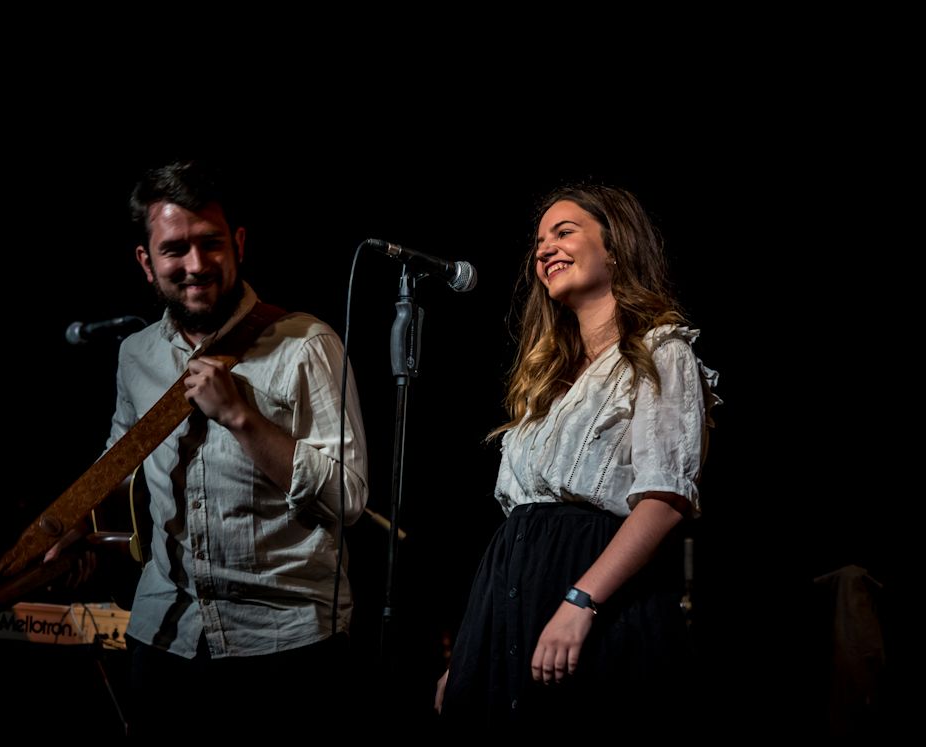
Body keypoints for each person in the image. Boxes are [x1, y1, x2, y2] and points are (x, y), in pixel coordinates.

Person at [434, 183, 719, 732]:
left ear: (614, 247)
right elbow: (518, 527)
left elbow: (665, 498)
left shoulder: (662, 352)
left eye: (564, 232)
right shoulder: (547, 384)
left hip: (595, 597)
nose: (544, 249)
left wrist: (580, 602)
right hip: (508, 602)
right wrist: (471, 648)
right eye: (539, 241)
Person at [111, 160, 369, 735]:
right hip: (164, 638)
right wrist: (75, 531)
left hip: (285, 647)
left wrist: (240, 417)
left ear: (240, 244)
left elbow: (348, 498)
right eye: (175, 249)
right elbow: (121, 469)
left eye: (211, 244)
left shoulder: (307, 344)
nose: (196, 265)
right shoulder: (135, 356)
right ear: (146, 263)